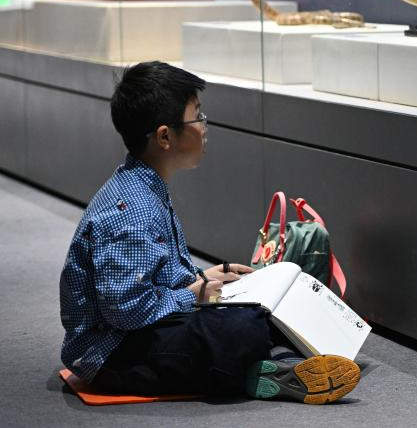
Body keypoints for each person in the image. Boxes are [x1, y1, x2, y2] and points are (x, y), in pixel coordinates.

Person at [59, 61, 360, 403]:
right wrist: (194, 295)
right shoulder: (133, 211)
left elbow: (154, 275)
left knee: (250, 307)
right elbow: (127, 310)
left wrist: (203, 277)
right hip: (113, 355)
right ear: (165, 136)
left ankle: (267, 366)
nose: (204, 127)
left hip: (137, 334)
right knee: (239, 326)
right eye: (197, 117)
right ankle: (271, 366)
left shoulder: (144, 186)